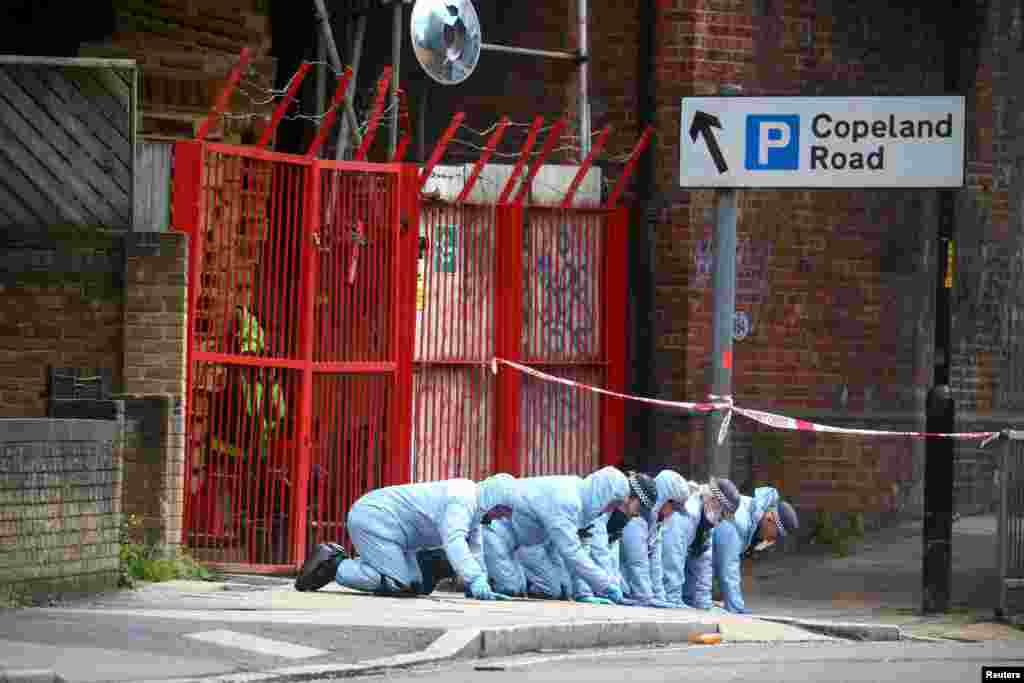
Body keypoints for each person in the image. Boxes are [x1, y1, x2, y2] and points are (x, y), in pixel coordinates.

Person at [294, 473, 519, 601]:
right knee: (397, 583)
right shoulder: (462, 499)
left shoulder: (475, 508)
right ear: (493, 499)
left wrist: (479, 586)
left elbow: (475, 549)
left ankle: (365, 565)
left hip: (390, 528)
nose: (501, 517)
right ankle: (334, 564)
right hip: (375, 518)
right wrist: (474, 579)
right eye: (502, 510)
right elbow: (455, 542)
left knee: (414, 585)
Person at [483, 467, 653, 605]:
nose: (612, 509)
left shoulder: (588, 509)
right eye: (614, 503)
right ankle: (486, 576)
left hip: (524, 541)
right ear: (605, 495)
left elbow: (578, 549)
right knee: (511, 589)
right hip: (498, 528)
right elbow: (571, 552)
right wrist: (606, 585)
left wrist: (583, 593)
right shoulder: (568, 501)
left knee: (559, 590)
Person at [711, 486, 799, 614]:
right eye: (775, 535)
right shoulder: (739, 521)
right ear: (770, 518)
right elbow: (728, 568)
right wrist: (737, 609)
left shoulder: (751, 510)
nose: (771, 540)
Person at [662, 477, 741, 610]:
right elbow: (671, 559)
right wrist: (673, 600)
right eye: (722, 513)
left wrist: (704, 604)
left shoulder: (706, 524)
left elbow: (704, 565)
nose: (720, 520)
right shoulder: (685, 515)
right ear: (713, 500)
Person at [616, 470, 691, 608]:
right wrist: (646, 597)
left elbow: (655, 564)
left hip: (633, 591)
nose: (672, 513)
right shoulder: (637, 517)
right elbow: (637, 562)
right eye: (673, 507)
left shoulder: (656, 522)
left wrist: (661, 599)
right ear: (664, 499)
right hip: (622, 589)